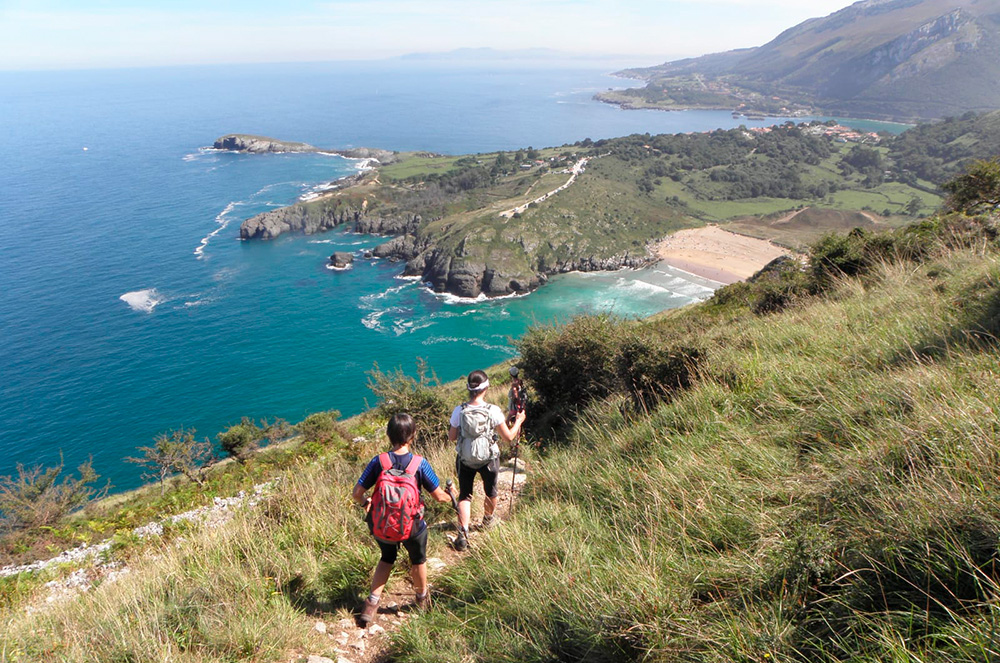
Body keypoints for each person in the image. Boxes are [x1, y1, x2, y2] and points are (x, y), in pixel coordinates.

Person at [353, 413, 451, 625]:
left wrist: (365, 503)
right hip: (412, 526)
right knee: (418, 559)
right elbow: (438, 496)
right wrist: (451, 495)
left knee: (386, 558)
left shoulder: (379, 461)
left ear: (389, 435)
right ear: (413, 436)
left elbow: (357, 492)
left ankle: (370, 605)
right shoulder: (419, 464)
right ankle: (422, 600)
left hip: (382, 525)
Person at [449, 369, 526, 551]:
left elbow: (452, 437)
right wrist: (519, 421)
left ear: (468, 388)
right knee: (491, 491)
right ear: (486, 388)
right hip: (488, 458)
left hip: (465, 458)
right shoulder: (494, 411)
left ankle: (463, 533)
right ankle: (488, 520)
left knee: (465, 495)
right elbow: (508, 437)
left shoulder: (459, 411)